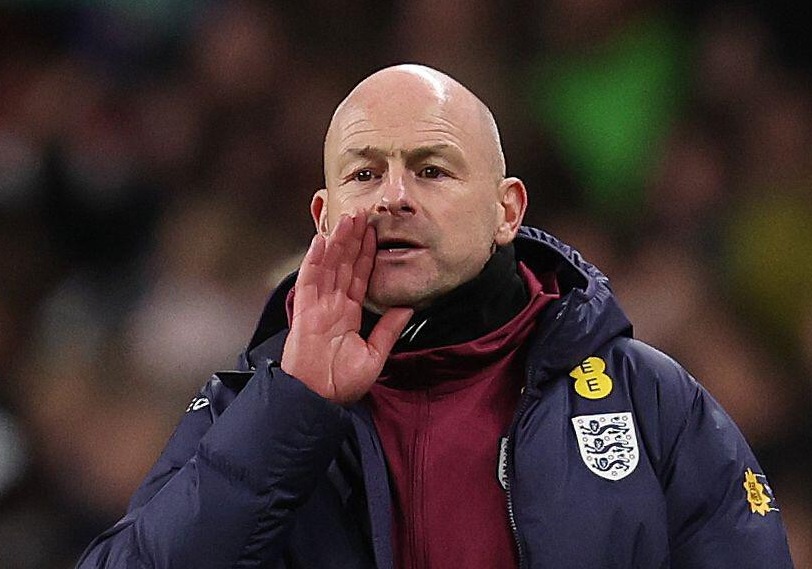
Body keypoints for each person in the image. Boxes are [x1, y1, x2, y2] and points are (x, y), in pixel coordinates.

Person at [77, 64, 794, 568]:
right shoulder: (252, 406)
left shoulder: (649, 398)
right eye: (364, 173)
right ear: (325, 216)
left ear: (506, 210)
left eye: (431, 169)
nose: (393, 196)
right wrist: (293, 407)